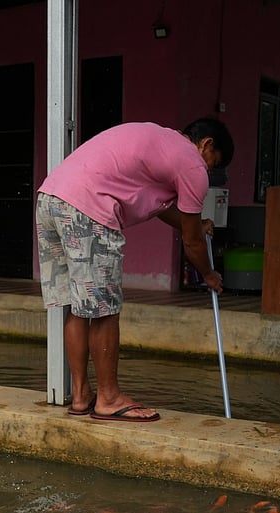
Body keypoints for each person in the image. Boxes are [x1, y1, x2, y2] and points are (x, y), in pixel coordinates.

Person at [35, 117, 234, 423]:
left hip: (52, 199)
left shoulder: (161, 142)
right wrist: (208, 274)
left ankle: (80, 396)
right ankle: (108, 399)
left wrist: (195, 223)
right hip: (88, 208)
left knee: (78, 306)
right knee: (104, 309)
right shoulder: (191, 163)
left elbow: (167, 210)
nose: (208, 171)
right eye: (213, 163)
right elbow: (193, 242)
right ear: (206, 144)